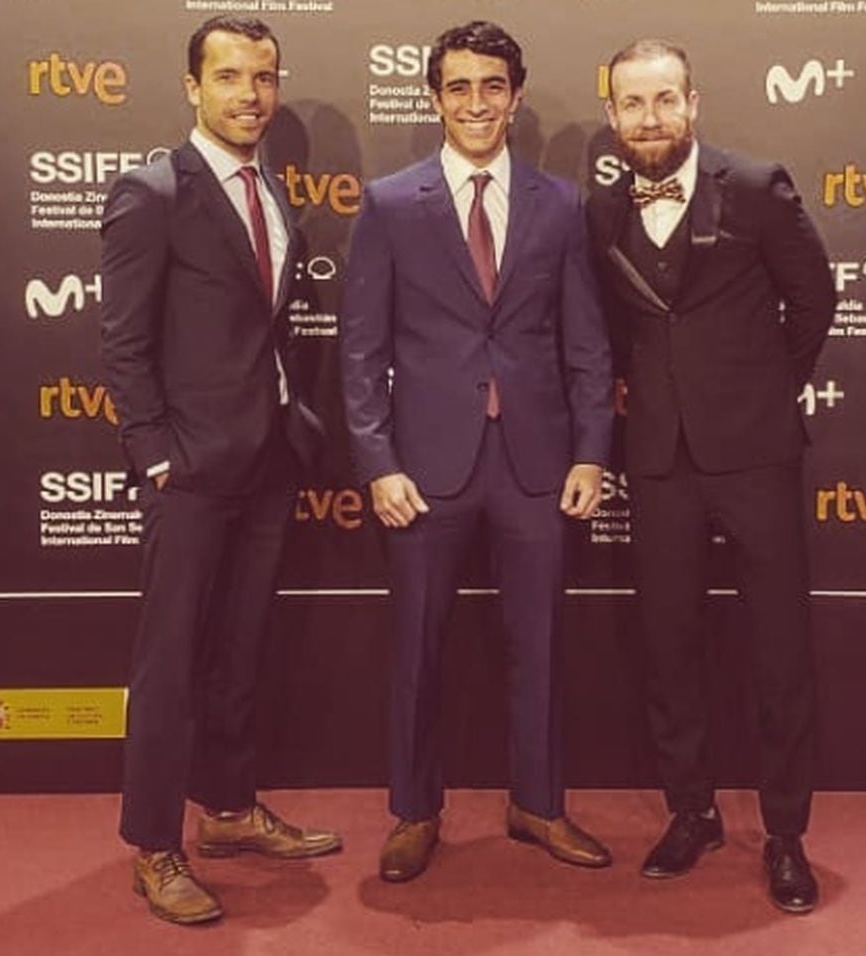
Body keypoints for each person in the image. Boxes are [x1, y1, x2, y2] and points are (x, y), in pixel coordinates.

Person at [340, 20, 614, 883]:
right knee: (418, 646)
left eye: (492, 86)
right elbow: (360, 350)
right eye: (458, 87)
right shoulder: (390, 204)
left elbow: (586, 343)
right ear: (434, 98)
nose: (476, 103)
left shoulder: (560, 204)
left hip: (537, 463)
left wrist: (591, 451)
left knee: (541, 642)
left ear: (515, 96)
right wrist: (378, 462)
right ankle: (416, 810)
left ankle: (539, 804)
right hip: (424, 468)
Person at [586, 39, 836, 913]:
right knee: (668, 645)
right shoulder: (601, 207)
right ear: (612, 114)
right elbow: (613, 330)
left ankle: (786, 833)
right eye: (632, 103)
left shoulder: (757, 186)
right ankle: (690, 811)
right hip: (658, 458)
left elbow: (815, 299)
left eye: (664, 100)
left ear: (692, 103)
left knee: (779, 649)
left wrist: (763, 392)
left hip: (757, 453)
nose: (649, 118)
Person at [100, 15, 339, 926]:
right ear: (192, 87)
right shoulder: (153, 190)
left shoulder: (269, 186)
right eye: (230, 76)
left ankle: (231, 811)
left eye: (264, 77)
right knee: (170, 664)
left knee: (240, 651)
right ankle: (154, 845)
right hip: (191, 469)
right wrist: (155, 454)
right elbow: (123, 342)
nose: (250, 94)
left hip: (267, 457)